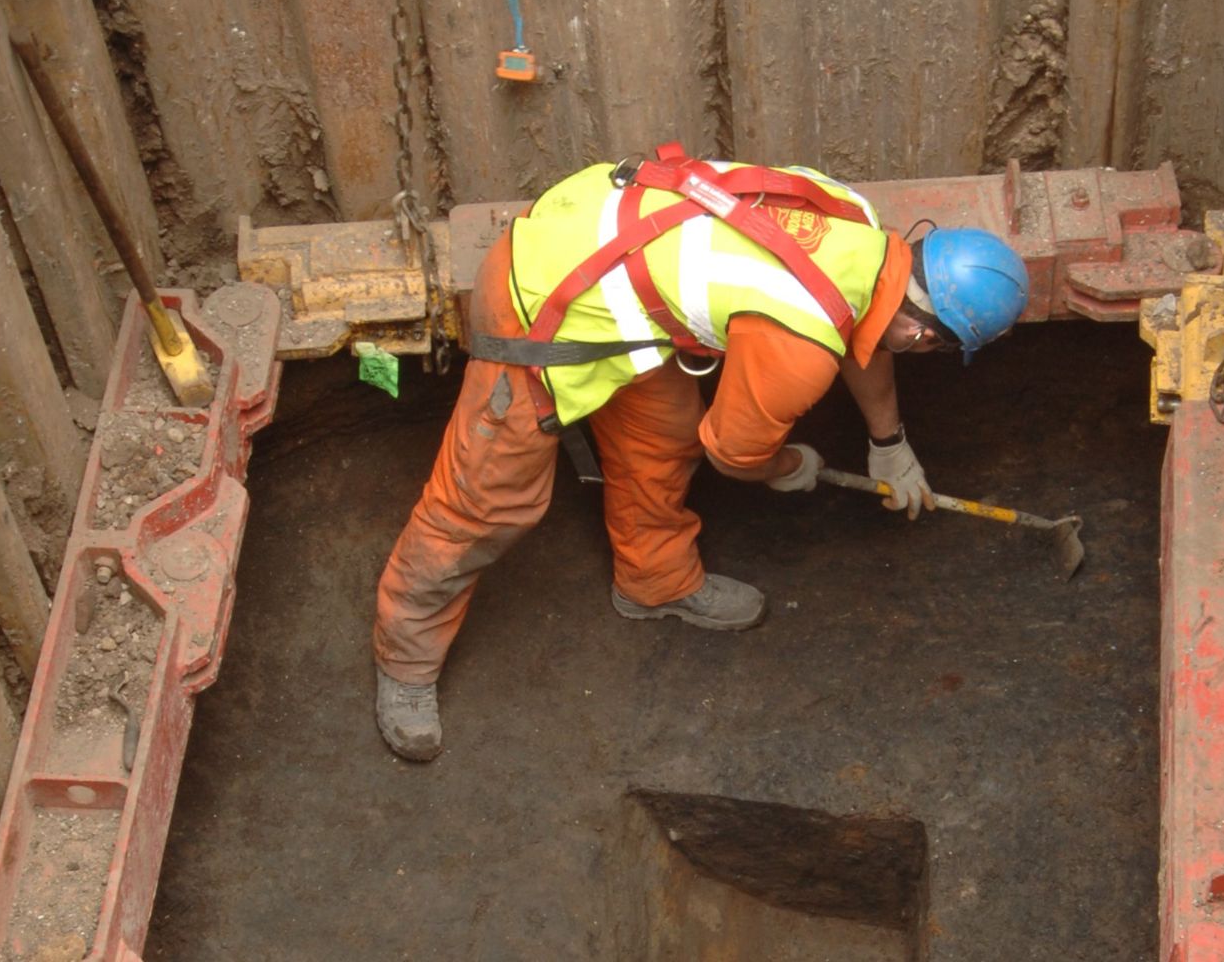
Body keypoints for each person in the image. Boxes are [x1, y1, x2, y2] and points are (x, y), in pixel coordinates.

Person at [372, 144, 1029, 761]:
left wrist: (890, 443)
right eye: (935, 346)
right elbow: (734, 452)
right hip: (538, 297)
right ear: (921, 331)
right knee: (488, 504)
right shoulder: (800, 346)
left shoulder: (852, 218)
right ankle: (404, 659)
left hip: (615, 262)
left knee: (660, 443)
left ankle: (653, 582)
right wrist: (785, 468)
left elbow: (861, 326)